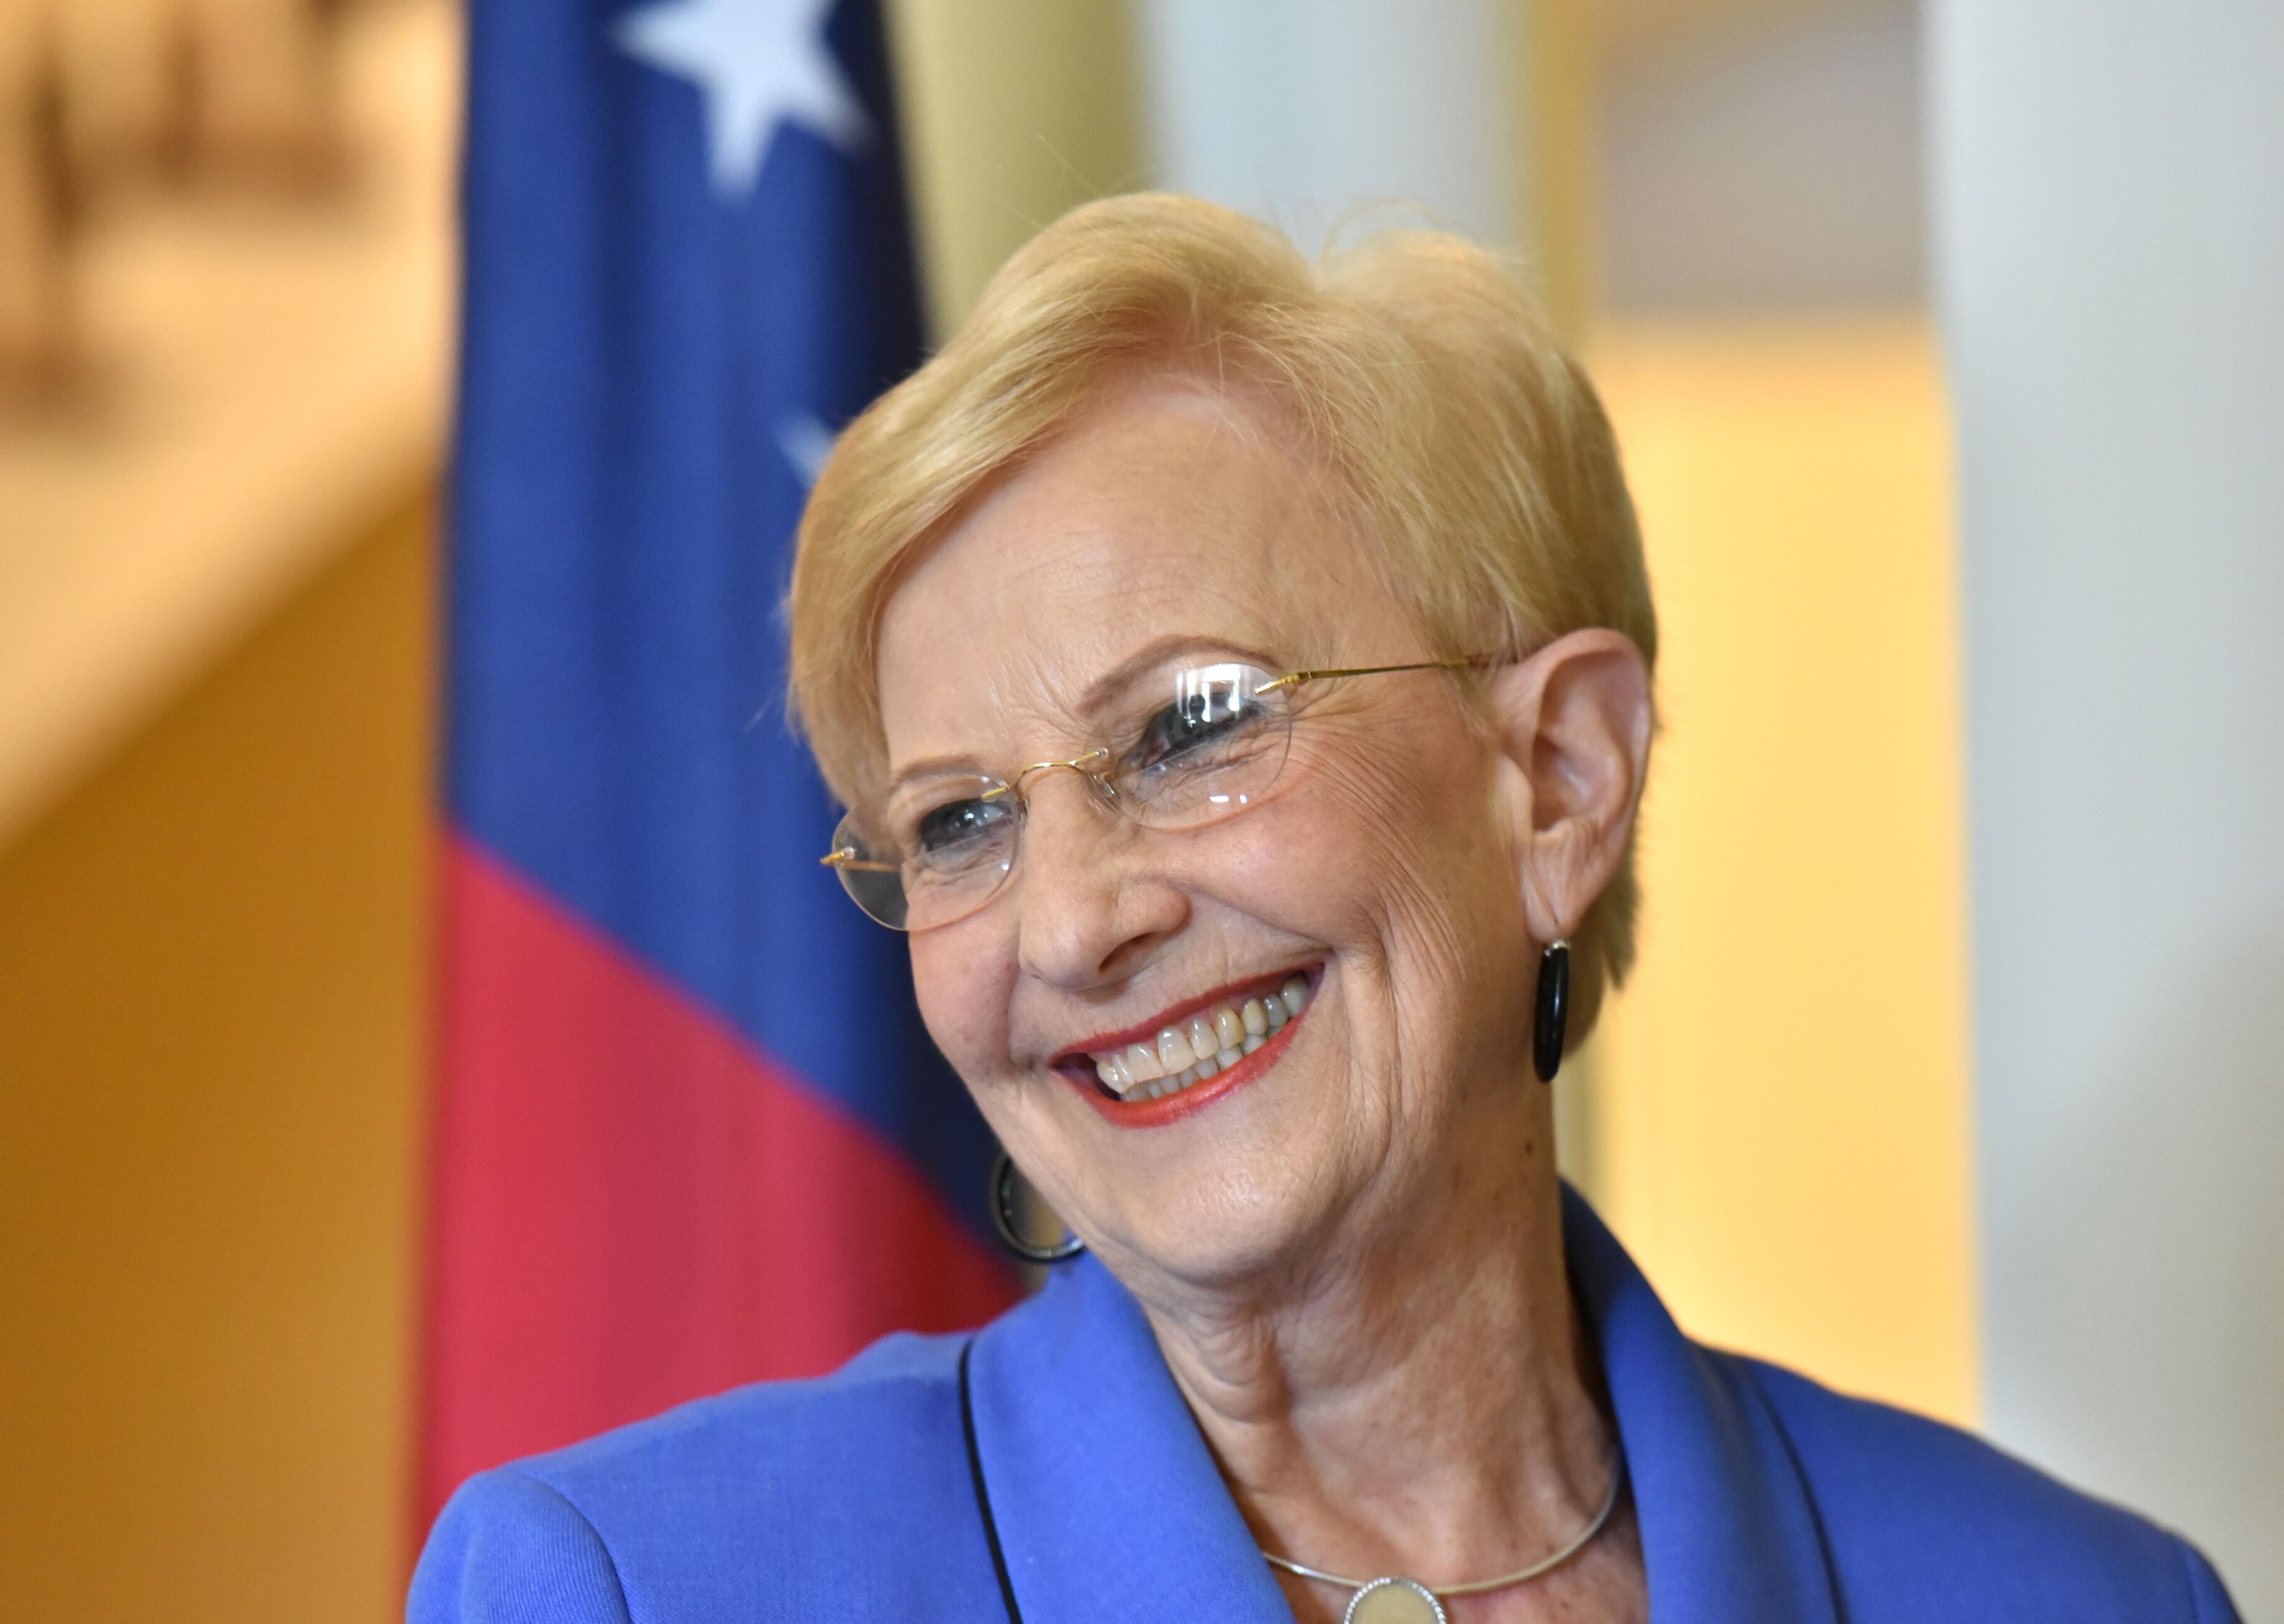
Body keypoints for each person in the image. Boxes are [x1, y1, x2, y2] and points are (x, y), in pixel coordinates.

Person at [410, 195, 2239, 1624]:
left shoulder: (2088, 1603)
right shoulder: (630, 1595)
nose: (1069, 924)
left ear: (1560, 782)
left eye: (1191, 725)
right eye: (957, 821)